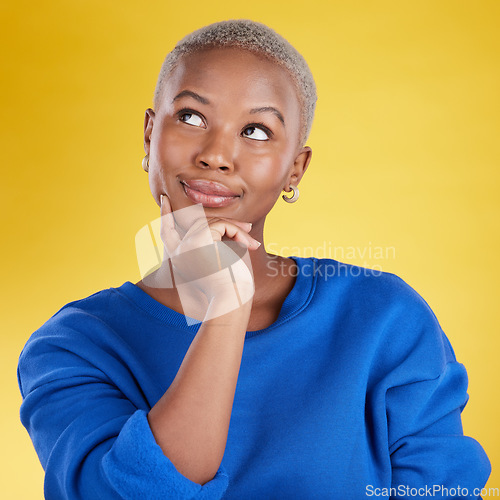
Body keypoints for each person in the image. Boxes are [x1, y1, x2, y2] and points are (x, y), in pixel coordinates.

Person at [18, 19, 490, 499]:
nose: (217, 155)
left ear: (294, 169)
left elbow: (442, 488)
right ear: (148, 133)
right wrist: (224, 310)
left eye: (257, 130)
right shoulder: (73, 348)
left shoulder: (384, 317)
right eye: (191, 118)